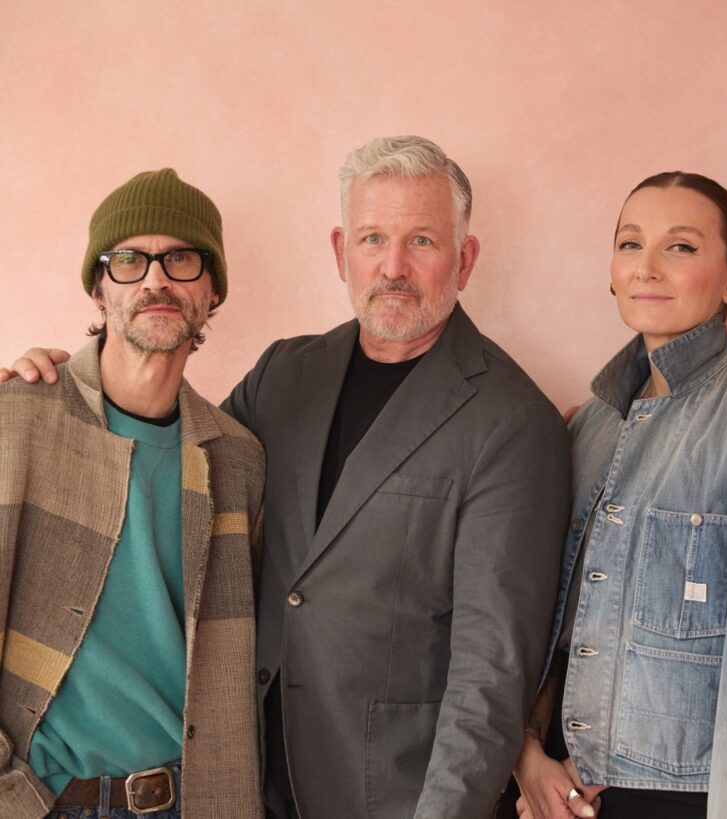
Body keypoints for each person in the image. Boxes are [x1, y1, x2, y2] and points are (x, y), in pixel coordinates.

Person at [0, 137, 572, 819]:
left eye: (421, 240)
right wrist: (51, 381)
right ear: (340, 252)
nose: (393, 266)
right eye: (371, 238)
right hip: (250, 784)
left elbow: (491, 672)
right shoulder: (284, 378)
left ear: (465, 258)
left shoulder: (513, 421)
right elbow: (166, 436)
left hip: (384, 794)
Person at [507, 171, 727, 819]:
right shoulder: (591, 423)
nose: (648, 267)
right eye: (631, 244)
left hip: (691, 798)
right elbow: (551, 623)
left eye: (682, 247)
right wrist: (528, 755)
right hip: (559, 793)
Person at [0, 169, 265, 818]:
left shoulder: (237, 458)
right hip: (51, 801)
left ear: (212, 290)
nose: (155, 279)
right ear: (99, 286)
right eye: (128, 260)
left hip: (197, 800)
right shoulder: (19, 419)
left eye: (180, 258)